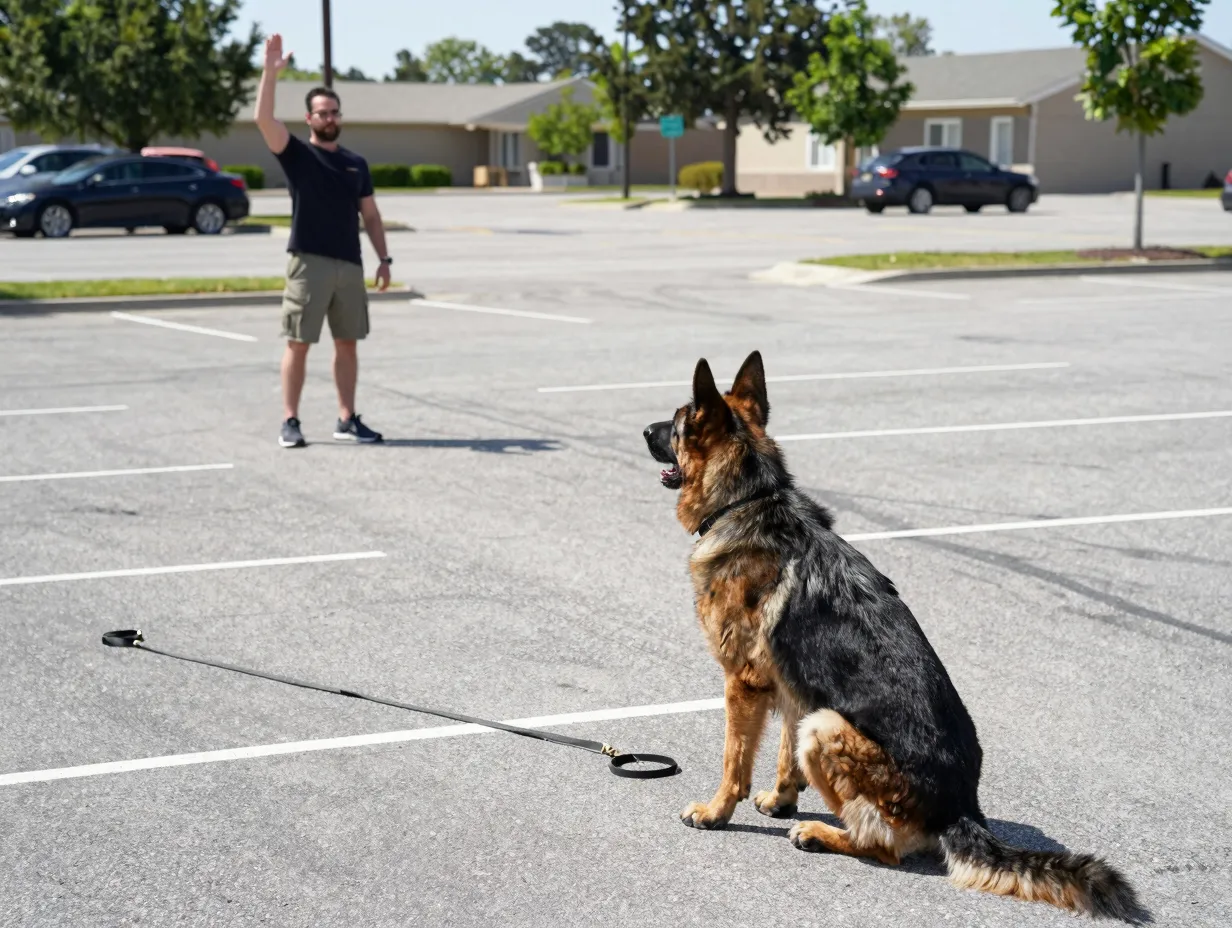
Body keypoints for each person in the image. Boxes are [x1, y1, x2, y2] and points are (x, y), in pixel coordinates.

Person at [255, 33, 393, 448]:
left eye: (334, 112)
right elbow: (264, 119)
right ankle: (290, 420)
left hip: (349, 264)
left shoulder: (355, 164)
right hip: (309, 262)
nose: (330, 118)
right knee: (298, 343)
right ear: (309, 118)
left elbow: (371, 215)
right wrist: (269, 73)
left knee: (347, 344)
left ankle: (347, 419)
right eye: (322, 113)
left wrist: (384, 259)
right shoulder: (296, 154)